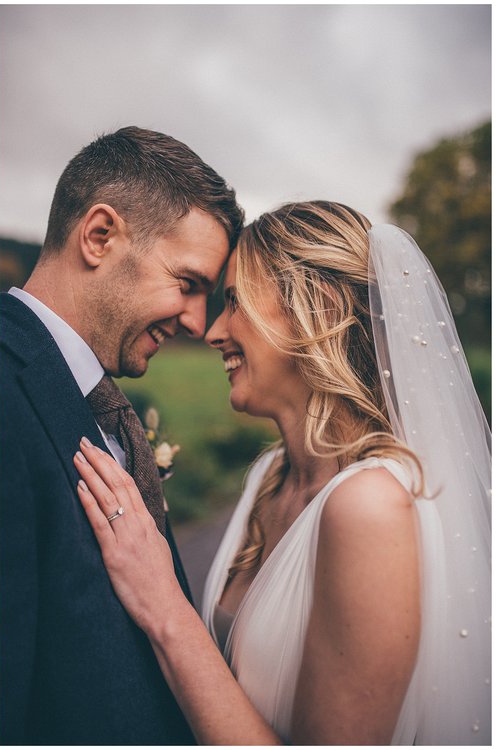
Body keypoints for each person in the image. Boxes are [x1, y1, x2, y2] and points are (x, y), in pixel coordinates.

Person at [74, 201, 491, 744]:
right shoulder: (268, 477)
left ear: (312, 310)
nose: (213, 331)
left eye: (234, 301)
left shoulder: (369, 508)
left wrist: (163, 605)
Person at [0, 126, 244, 744]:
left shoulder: (86, 391)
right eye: (187, 284)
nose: (197, 321)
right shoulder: (5, 393)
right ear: (100, 235)